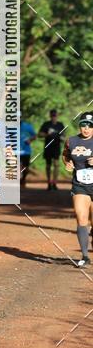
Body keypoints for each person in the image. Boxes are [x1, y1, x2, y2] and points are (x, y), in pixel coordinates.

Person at [62, 111, 93, 267]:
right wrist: (67, 163)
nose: (86, 128)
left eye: (90, 125)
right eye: (83, 125)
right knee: (81, 218)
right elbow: (65, 155)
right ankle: (85, 256)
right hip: (80, 185)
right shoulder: (71, 141)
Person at [39, 109, 66, 190]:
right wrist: (47, 134)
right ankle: (49, 182)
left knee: (56, 164)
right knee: (48, 165)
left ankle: (54, 182)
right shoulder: (46, 124)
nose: (54, 117)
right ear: (50, 116)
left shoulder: (60, 125)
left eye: (55, 115)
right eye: (52, 115)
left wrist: (62, 138)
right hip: (48, 147)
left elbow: (63, 135)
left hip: (56, 147)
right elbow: (39, 134)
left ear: (57, 116)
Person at [19, 119, 37, 187]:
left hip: (26, 150)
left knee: (26, 167)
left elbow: (34, 136)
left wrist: (30, 139)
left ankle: (23, 179)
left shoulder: (28, 126)